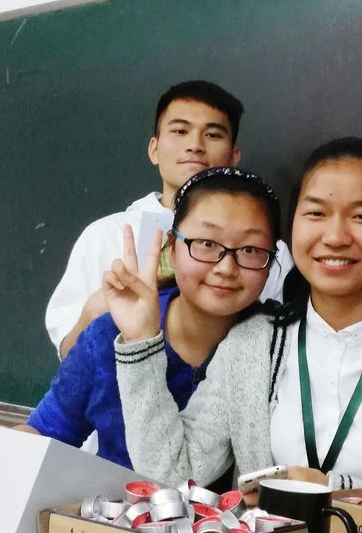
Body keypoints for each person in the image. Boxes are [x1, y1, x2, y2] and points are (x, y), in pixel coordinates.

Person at [111, 137, 362, 502]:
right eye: (315, 213)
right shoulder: (251, 346)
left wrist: (336, 492)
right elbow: (175, 471)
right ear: (291, 228)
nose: (335, 236)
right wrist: (141, 340)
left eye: (361, 216)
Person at [20, 167, 283, 467]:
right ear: (171, 248)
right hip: (116, 508)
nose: (225, 267)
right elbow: (44, 432)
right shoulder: (111, 334)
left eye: (250, 249)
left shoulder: (281, 346)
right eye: (207, 244)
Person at [44, 81, 290, 359]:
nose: (195, 146)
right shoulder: (104, 235)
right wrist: (94, 313)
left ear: (234, 157)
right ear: (154, 149)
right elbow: (68, 355)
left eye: (212, 135)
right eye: (180, 131)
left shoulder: (268, 251)